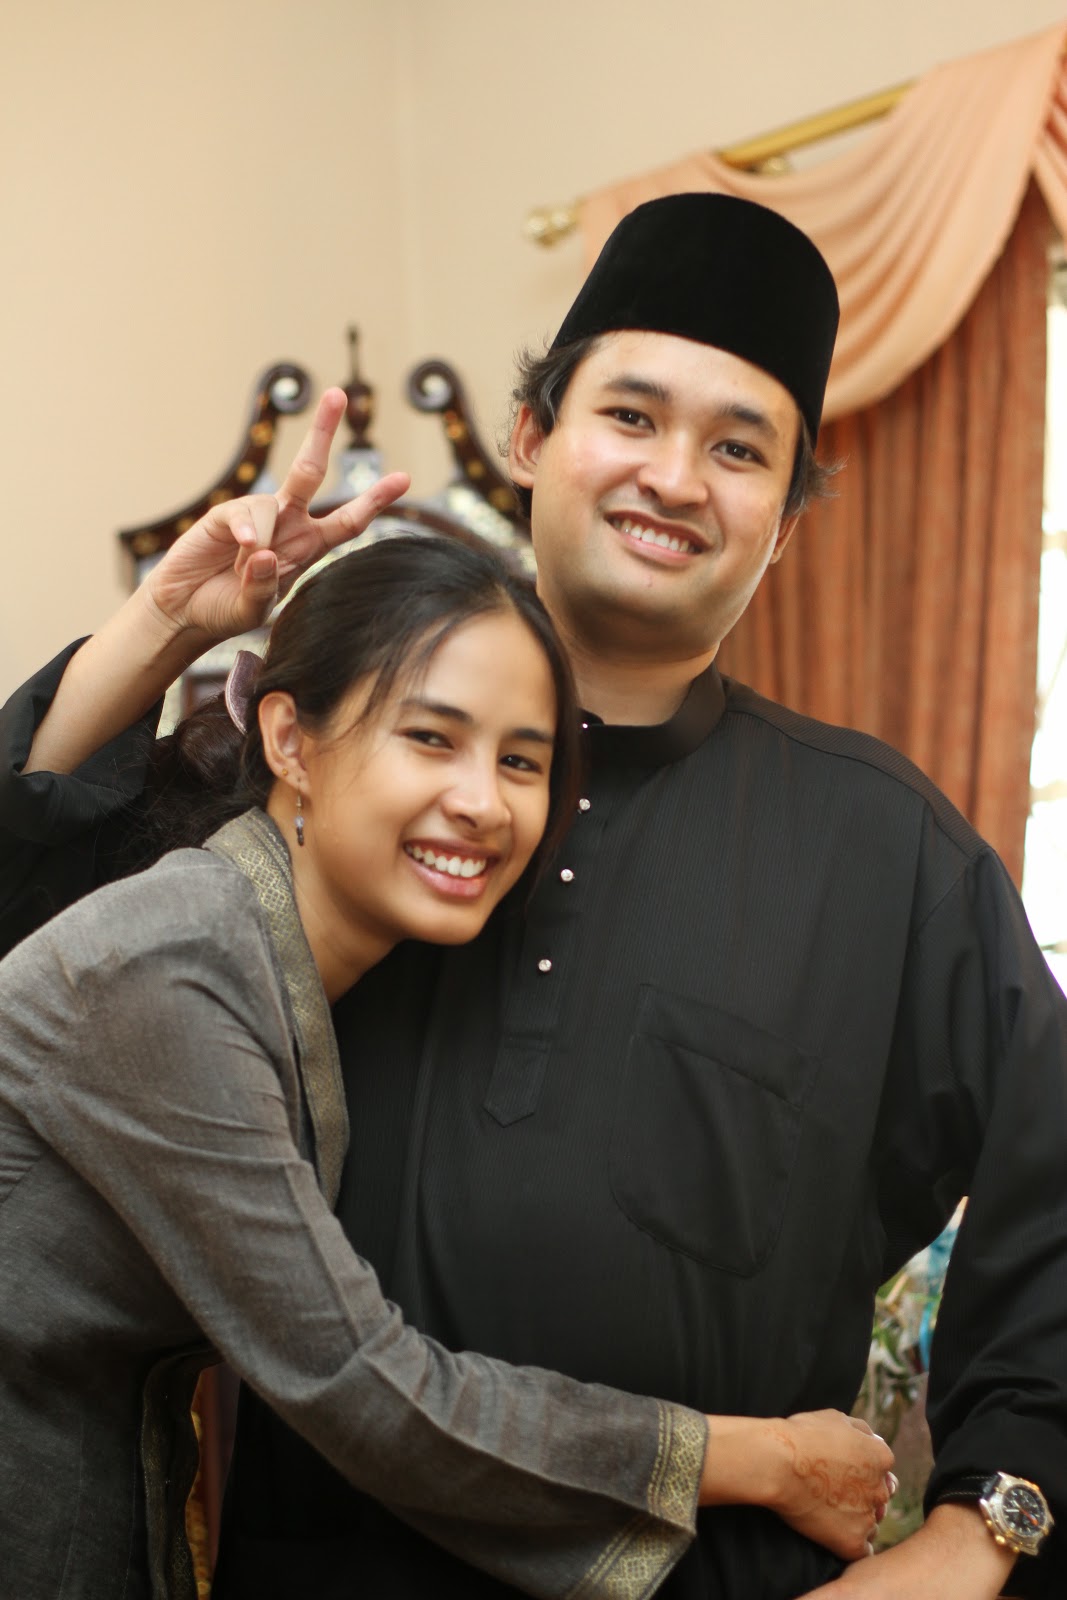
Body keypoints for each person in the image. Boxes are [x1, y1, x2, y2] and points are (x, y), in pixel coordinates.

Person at [2, 193, 1065, 1600]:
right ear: (527, 437)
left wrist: (977, 1526)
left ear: (784, 523)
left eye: (737, 448)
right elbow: (45, 918)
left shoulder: (888, 851)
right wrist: (163, 626)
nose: (673, 478)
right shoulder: (332, 796)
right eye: (629, 415)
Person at [0, 527, 896, 1600]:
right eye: (431, 738)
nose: (482, 801)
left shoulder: (261, 948)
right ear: (289, 741)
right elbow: (358, 1382)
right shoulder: (174, 965)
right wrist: (765, 1458)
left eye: (521, 760)